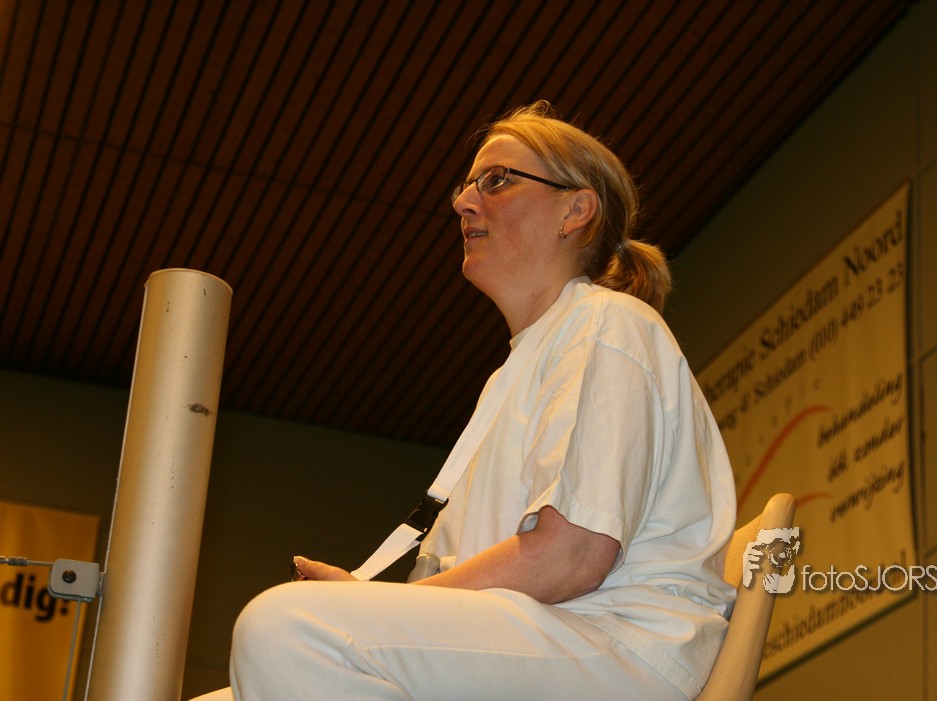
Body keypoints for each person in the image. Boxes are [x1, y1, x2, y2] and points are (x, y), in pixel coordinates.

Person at [192, 101, 736, 701]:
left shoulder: (610, 324)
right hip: (544, 637)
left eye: (496, 180)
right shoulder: (512, 374)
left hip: (618, 645)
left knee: (286, 627)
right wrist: (369, 609)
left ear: (575, 210)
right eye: (467, 186)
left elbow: (573, 557)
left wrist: (367, 612)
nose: (463, 203)